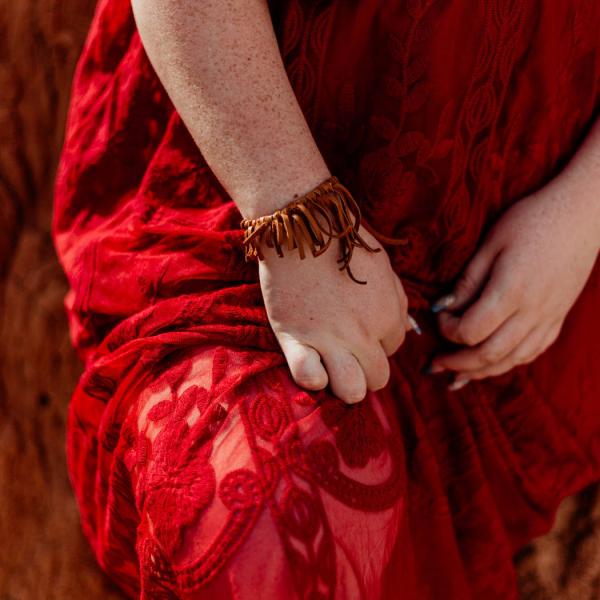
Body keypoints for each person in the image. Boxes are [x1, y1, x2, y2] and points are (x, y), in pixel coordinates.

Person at [52, 0, 600, 598]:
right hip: (246, 199)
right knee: (264, 525)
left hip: (539, 263)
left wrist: (581, 214)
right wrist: (300, 220)